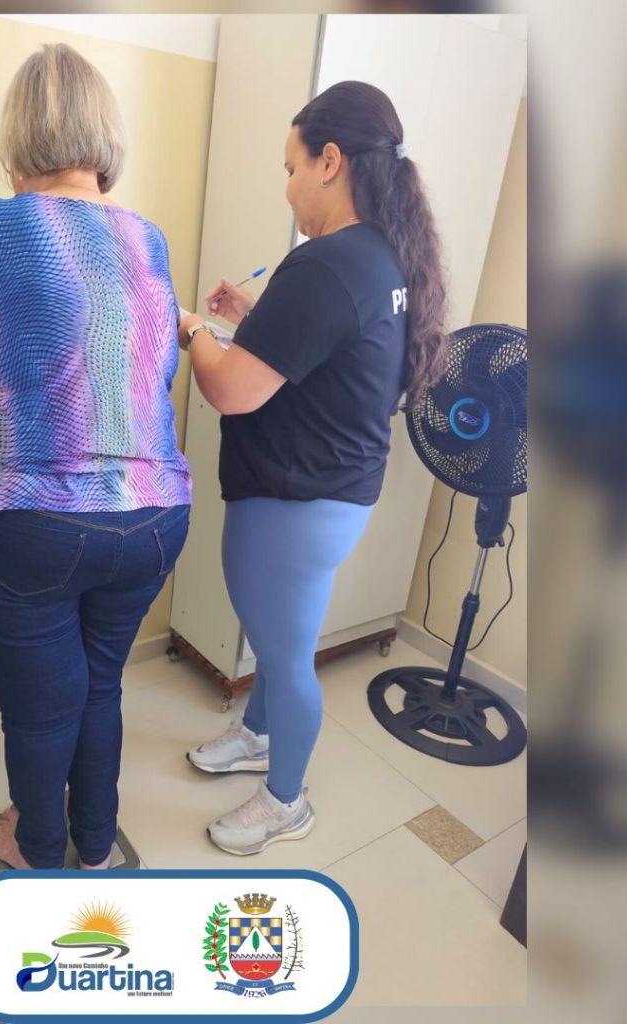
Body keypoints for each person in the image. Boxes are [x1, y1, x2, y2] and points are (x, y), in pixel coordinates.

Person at [0, 44, 191, 870]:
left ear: (19, 137)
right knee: (100, 685)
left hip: (30, 522)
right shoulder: (147, 240)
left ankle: (38, 852)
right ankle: (97, 844)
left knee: (42, 709)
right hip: (153, 517)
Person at [179, 80, 447, 855]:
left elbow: (232, 390)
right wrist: (247, 320)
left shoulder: (328, 263)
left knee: (286, 653)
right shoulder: (382, 258)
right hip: (335, 491)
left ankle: (285, 801)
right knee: (279, 634)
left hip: (296, 497)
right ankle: (259, 734)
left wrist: (193, 329)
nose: (289, 185)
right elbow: (322, 352)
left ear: (330, 161)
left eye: (292, 167)